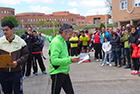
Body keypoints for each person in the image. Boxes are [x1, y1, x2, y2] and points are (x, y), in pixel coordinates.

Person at [48, 23, 79, 94]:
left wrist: (73, 58)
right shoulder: (56, 42)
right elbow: (54, 61)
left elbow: (65, 57)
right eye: (70, 34)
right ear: (64, 32)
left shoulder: (63, 41)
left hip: (64, 72)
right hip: (57, 73)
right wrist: (70, 60)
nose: (70, 37)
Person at [0, 20, 29, 94]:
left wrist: (17, 62)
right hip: (3, 73)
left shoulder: (20, 42)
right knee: (6, 92)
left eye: (6, 30)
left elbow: (25, 55)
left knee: (18, 92)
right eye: (3, 30)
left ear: (12, 29)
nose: (5, 32)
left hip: (16, 72)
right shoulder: (0, 42)